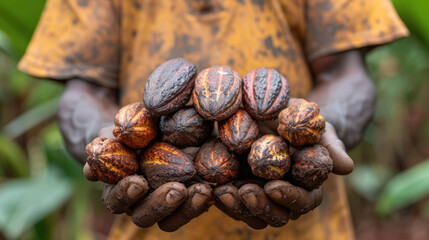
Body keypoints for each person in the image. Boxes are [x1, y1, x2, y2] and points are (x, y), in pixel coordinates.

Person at [18, 0, 408, 239]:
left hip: (305, 227)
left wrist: (318, 131)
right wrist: (106, 144)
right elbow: (83, 91)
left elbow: (345, 73)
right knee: (180, 126)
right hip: (151, 219)